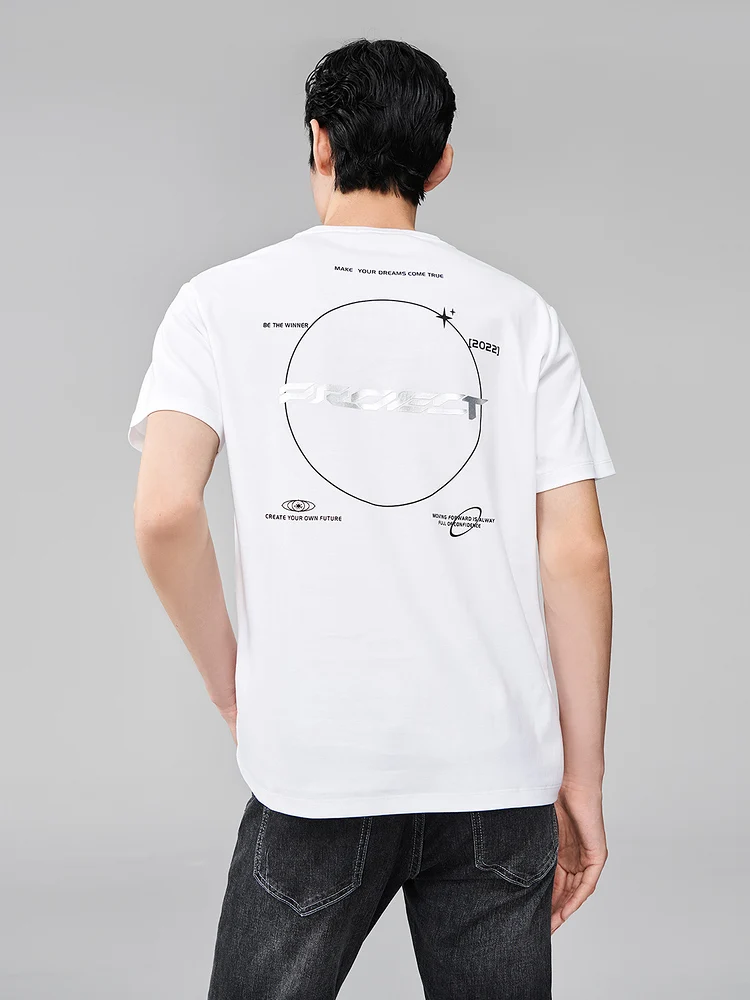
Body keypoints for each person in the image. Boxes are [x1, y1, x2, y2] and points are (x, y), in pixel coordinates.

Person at [128, 37, 615, 1000]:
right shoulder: (521, 316)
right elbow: (578, 553)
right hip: (496, 770)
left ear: (320, 142)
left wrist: (232, 687)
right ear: (441, 163)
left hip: (317, 761)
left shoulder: (216, 304)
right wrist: (583, 782)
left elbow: (165, 513)